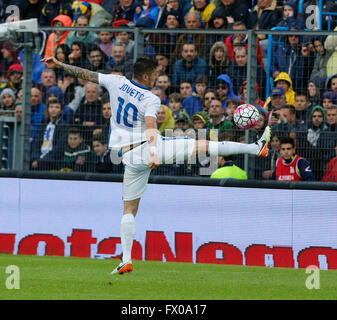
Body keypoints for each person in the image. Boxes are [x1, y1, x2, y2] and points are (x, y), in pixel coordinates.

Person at [41, 55, 271, 275]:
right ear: (145, 77)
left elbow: (86, 73)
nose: (155, 79)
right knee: (203, 145)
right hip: (149, 147)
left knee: (129, 209)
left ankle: (127, 260)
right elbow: (151, 126)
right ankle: (254, 148)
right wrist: (153, 153)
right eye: (153, 75)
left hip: (128, 158)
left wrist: (59, 64)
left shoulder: (115, 81)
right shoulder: (150, 98)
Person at [30, 98, 68, 171]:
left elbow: (59, 148)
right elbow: (37, 143)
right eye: (51, 107)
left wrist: (42, 160)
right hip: (39, 159)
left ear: (61, 111)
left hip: (53, 161)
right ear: (47, 109)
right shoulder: (44, 124)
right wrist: (36, 158)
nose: (53, 109)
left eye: (57, 107)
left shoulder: (63, 126)